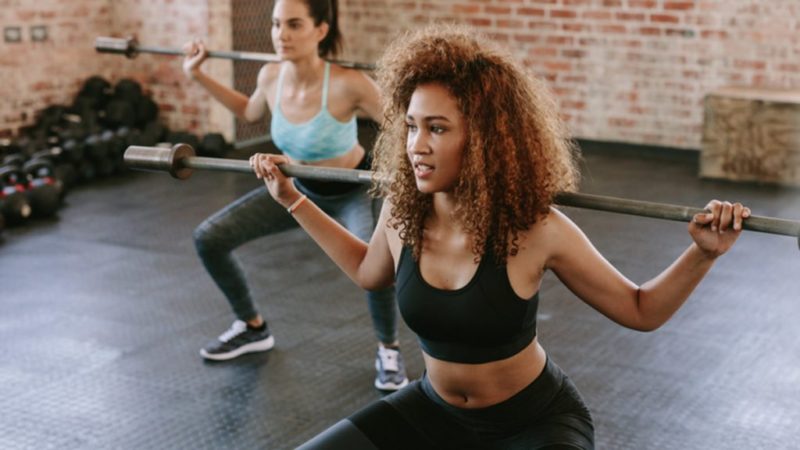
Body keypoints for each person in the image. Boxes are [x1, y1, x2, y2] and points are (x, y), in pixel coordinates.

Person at [251, 25, 751, 449]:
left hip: (534, 424)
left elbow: (641, 310)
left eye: (438, 129)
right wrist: (293, 199)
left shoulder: (537, 229)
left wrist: (701, 254)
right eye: (410, 127)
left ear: (484, 140)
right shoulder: (403, 215)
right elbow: (369, 272)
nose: (416, 147)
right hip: (432, 412)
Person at [181, 0, 408, 392]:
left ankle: (389, 349)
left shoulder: (347, 82)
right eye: (275, 24)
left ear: (320, 30)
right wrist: (196, 74)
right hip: (293, 188)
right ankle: (252, 328)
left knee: (375, 271)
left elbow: (404, 123)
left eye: (293, 25)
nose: (280, 35)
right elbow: (250, 112)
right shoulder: (271, 76)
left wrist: (403, 172)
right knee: (209, 237)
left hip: (351, 190)